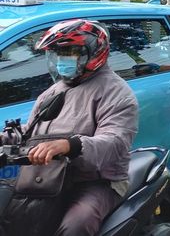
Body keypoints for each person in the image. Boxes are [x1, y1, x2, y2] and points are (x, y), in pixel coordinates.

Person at [3, 19, 138, 235]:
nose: (62, 59)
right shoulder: (53, 92)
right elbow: (33, 131)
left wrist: (69, 145)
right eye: (58, 54)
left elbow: (115, 142)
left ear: (94, 53)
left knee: (76, 225)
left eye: (71, 52)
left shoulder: (117, 94)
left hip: (98, 181)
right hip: (50, 175)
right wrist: (6, 138)